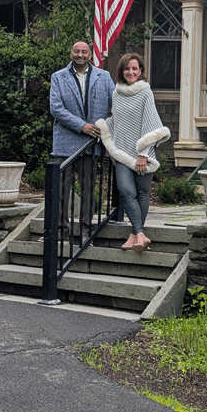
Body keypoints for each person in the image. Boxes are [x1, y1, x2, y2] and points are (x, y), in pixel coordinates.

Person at [95, 53, 169, 253]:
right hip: (122, 152)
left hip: (144, 154)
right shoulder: (116, 94)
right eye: (127, 69)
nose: (131, 72)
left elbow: (151, 124)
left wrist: (143, 152)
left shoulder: (146, 92)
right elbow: (116, 120)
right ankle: (141, 234)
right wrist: (103, 127)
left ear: (141, 71)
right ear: (122, 71)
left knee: (142, 193)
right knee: (127, 192)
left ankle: (134, 235)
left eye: (135, 68)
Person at [49, 40, 114, 239]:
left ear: (90, 55)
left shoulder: (104, 77)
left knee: (88, 190)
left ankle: (86, 230)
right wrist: (82, 126)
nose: (80, 54)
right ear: (71, 53)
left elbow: (115, 105)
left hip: (91, 143)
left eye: (84, 51)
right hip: (65, 143)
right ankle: (61, 232)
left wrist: (104, 128)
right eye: (76, 51)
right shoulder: (58, 77)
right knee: (61, 190)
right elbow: (56, 108)